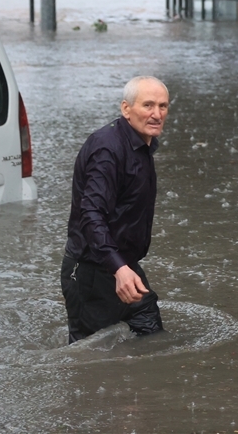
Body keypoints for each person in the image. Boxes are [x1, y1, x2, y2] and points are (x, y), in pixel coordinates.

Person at [60, 76, 169, 343]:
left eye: (163, 106)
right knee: (92, 361)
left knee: (152, 338)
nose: (157, 114)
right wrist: (118, 269)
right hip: (93, 272)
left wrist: (123, 267)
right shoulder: (108, 149)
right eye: (148, 105)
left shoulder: (143, 143)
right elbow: (92, 213)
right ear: (126, 109)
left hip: (122, 266)